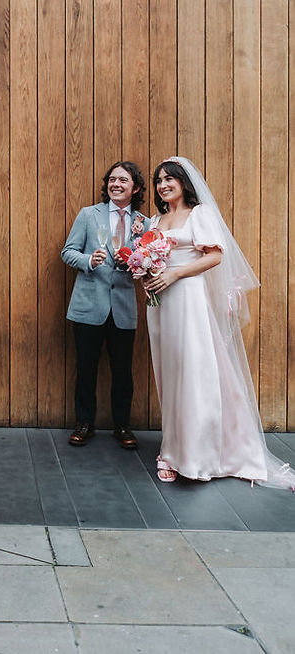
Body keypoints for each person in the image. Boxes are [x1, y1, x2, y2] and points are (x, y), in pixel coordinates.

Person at [143, 157, 295, 488]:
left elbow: (215, 254)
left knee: (194, 371)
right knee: (169, 374)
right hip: (160, 304)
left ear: (184, 182)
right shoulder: (157, 219)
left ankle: (197, 455)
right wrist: (147, 273)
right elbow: (149, 258)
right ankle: (172, 447)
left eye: (170, 178)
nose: (163, 184)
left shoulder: (200, 214)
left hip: (187, 297)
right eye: (159, 180)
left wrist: (175, 273)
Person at [61, 161, 149, 449]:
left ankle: (122, 426)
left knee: (123, 370)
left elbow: (148, 266)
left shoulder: (144, 223)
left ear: (134, 187)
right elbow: (68, 252)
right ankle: (83, 423)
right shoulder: (89, 215)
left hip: (123, 307)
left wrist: (136, 264)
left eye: (123, 180)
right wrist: (89, 261)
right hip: (89, 306)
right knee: (86, 367)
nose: (116, 184)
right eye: (112, 179)